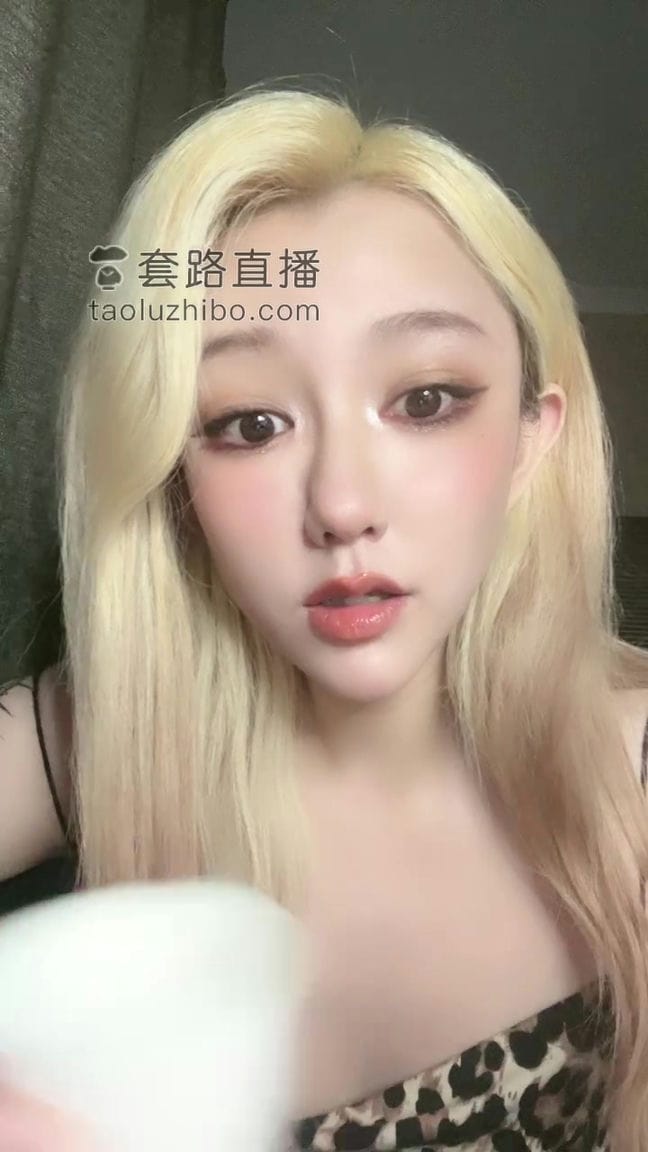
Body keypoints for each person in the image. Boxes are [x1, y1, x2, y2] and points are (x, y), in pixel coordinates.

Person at [0, 82, 647, 1151]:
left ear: (533, 438)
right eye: (250, 423)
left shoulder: (635, 768)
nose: (342, 505)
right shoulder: (100, 734)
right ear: (174, 476)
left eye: (426, 399)